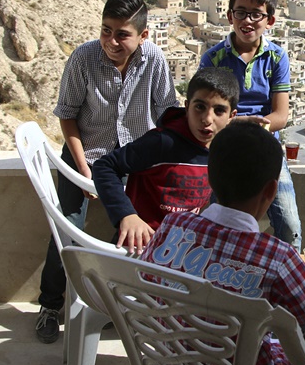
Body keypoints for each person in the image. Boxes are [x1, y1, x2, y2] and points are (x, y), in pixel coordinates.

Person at [140, 122, 305, 365]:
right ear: (270, 190)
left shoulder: (172, 227)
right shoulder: (277, 258)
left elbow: (146, 289)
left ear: (211, 177)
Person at [35, 0, 178, 344]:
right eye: (105, 30)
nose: (111, 41)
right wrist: (84, 171)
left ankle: (116, 303)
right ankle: (50, 306)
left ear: (143, 36)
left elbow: (166, 114)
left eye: (122, 34)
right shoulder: (84, 58)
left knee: (134, 231)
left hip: (133, 160)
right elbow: (67, 117)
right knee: (67, 228)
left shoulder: (155, 60)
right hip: (86, 153)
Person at [198, 0, 302, 250]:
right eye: (241, 12)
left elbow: (281, 114)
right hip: (224, 148)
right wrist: (241, 123)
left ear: (270, 20)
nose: (248, 20)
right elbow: (207, 113)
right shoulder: (214, 58)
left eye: (256, 14)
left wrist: (252, 127)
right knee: (212, 223)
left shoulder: (277, 58)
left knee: (290, 225)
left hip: (266, 147)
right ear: (230, 15)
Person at [92, 67, 239, 254]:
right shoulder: (163, 142)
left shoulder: (220, 151)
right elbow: (105, 166)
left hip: (180, 248)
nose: (207, 119)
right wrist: (127, 215)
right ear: (187, 107)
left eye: (219, 111)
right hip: (139, 246)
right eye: (200, 107)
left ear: (231, 117)